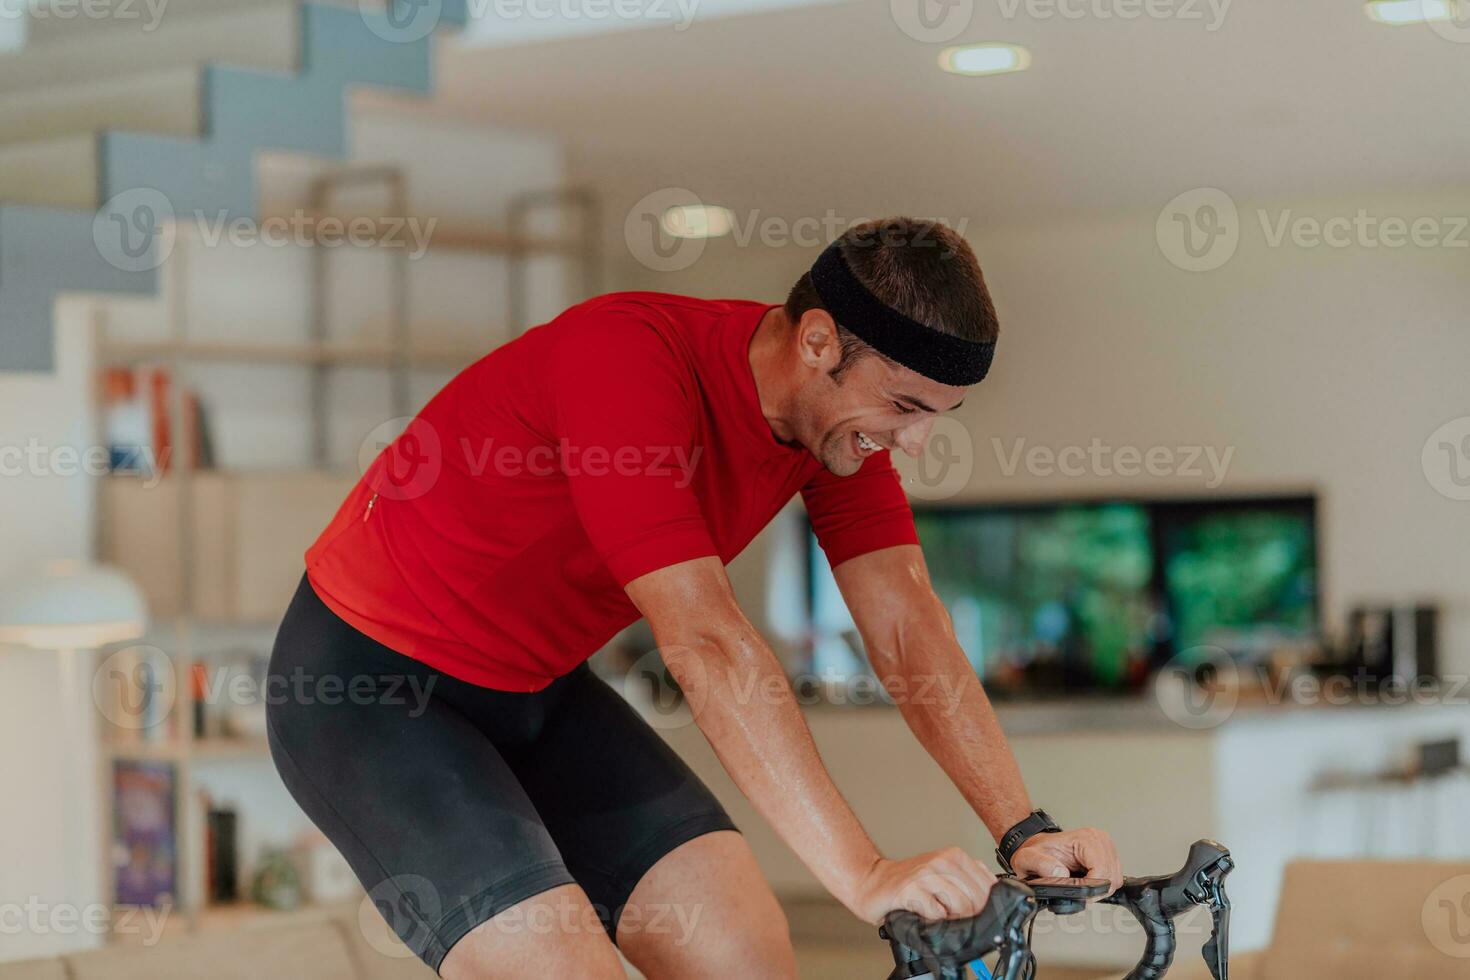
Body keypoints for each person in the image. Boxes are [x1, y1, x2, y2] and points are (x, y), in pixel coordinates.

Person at [266, 216, 1123, 979]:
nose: (919, 441)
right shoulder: (627, 363)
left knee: (743, 956)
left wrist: (1023, 830)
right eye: (904, 407)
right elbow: (706, 642)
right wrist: (864, 875)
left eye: (940, 414)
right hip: (372, 691)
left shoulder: (831, 435)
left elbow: (907, 627)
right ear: (819, 341)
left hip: (540, 691)